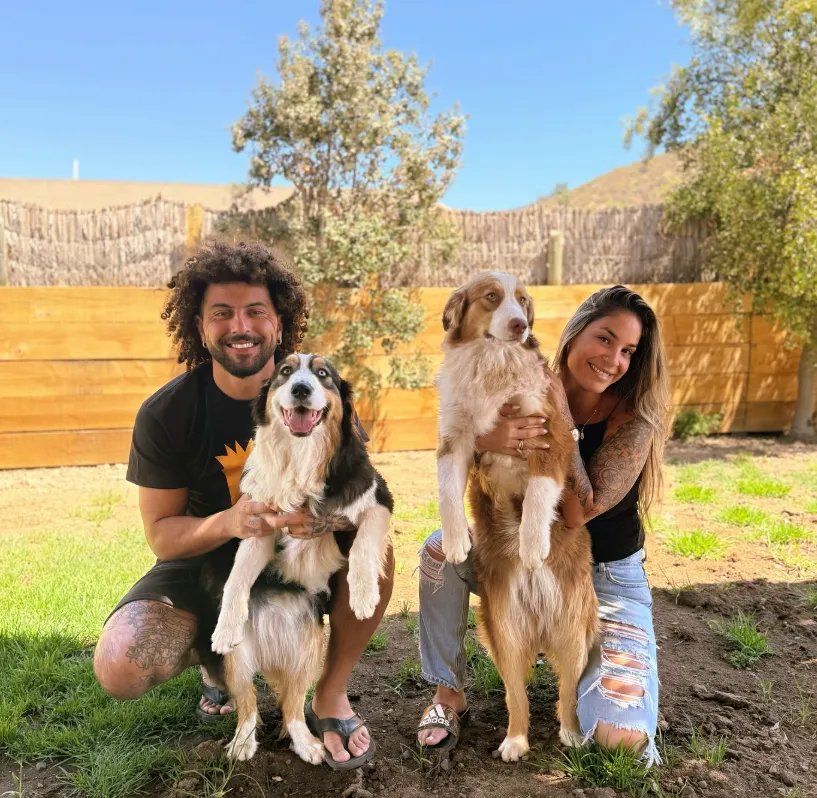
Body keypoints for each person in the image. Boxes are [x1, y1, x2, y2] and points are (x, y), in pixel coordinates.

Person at [94, 241, 393, 768]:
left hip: (300, 559)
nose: (241, 326)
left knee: (377, 556)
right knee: (122, 663)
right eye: (222, 313)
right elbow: (162, 534)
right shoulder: (166, 414)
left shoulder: (318, 393)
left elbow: (364, 494)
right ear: (200, 325)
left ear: (279, 324)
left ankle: (330, 692)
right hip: (205, 561)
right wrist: (231, 521)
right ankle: (217, 668)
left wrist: (317, 519)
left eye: (257, 311)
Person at [415, 285, 670, 765]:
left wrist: (562, 419)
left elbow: (575, 512)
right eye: (605, 339)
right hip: (511, 551)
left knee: (622, 742)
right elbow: (460, 449)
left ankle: (585, 691)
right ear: (574, 334)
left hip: (604, 577)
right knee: (436, 551)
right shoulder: (514, 377)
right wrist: (486, 435)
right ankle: (447, 694)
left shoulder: (634, 422)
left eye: (628, 352)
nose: (613, 359)